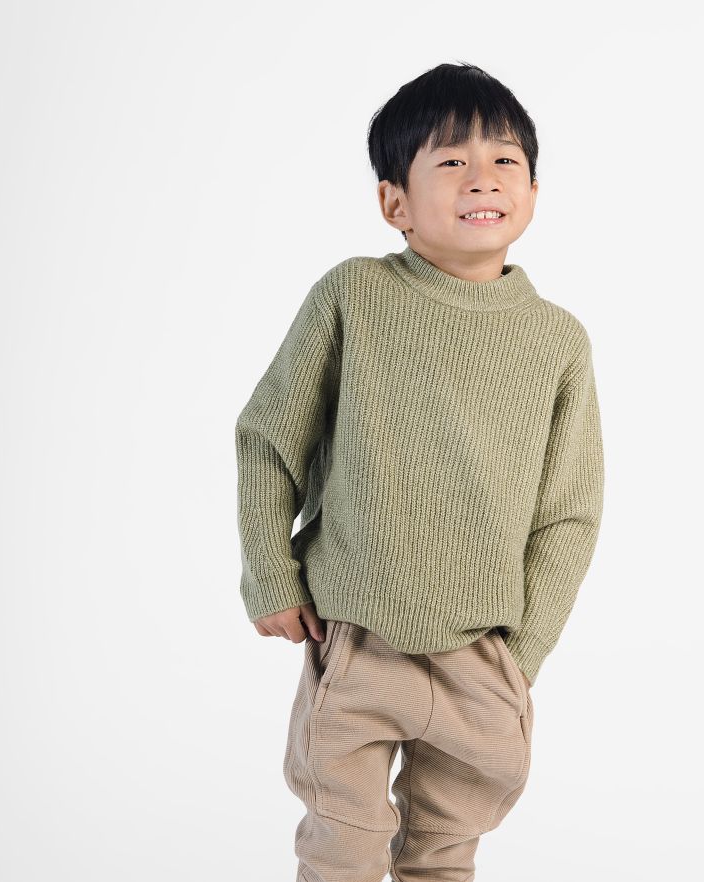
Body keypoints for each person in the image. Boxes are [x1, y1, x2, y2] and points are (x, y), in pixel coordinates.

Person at [235, 61, 605, 882]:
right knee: (342, 844)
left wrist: (523, 653)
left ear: (533, 192)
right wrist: (270, 571)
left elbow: (568, 512)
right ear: (394, 202)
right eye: (451, 161)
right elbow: (269, 437)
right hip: (355, 636)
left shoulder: (557, 340)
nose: (483, 178)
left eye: (505, 160)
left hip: (483, 654)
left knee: (444, 854)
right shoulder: (353, 296)